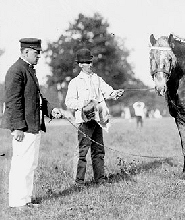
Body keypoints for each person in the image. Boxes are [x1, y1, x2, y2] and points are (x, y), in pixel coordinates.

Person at [0, 38, 62, 210]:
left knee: (30, 165)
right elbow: (13, 102)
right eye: (36, 52)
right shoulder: (16, 71)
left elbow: (37, 98)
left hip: (33, 126)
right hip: (24, 128)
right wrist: (18, 127)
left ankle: (25, 200)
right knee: (21, 165)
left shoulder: (28, 70)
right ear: (25, 51)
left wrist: (50, 110)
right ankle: (18, 202)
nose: (39, 56)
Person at [65, 48, 124, 186]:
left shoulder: (97, 79)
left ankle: (100, 179)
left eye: (90, 62)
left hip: (98, 119)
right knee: (82, 152)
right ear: (80, 64)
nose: (90, 65)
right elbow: (69, 102)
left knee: (98, 150)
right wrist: (83, 104)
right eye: (86, 62)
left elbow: (107, 91)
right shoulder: (75, 82)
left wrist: (115, 93)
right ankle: (79, 182)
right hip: (84, 121)